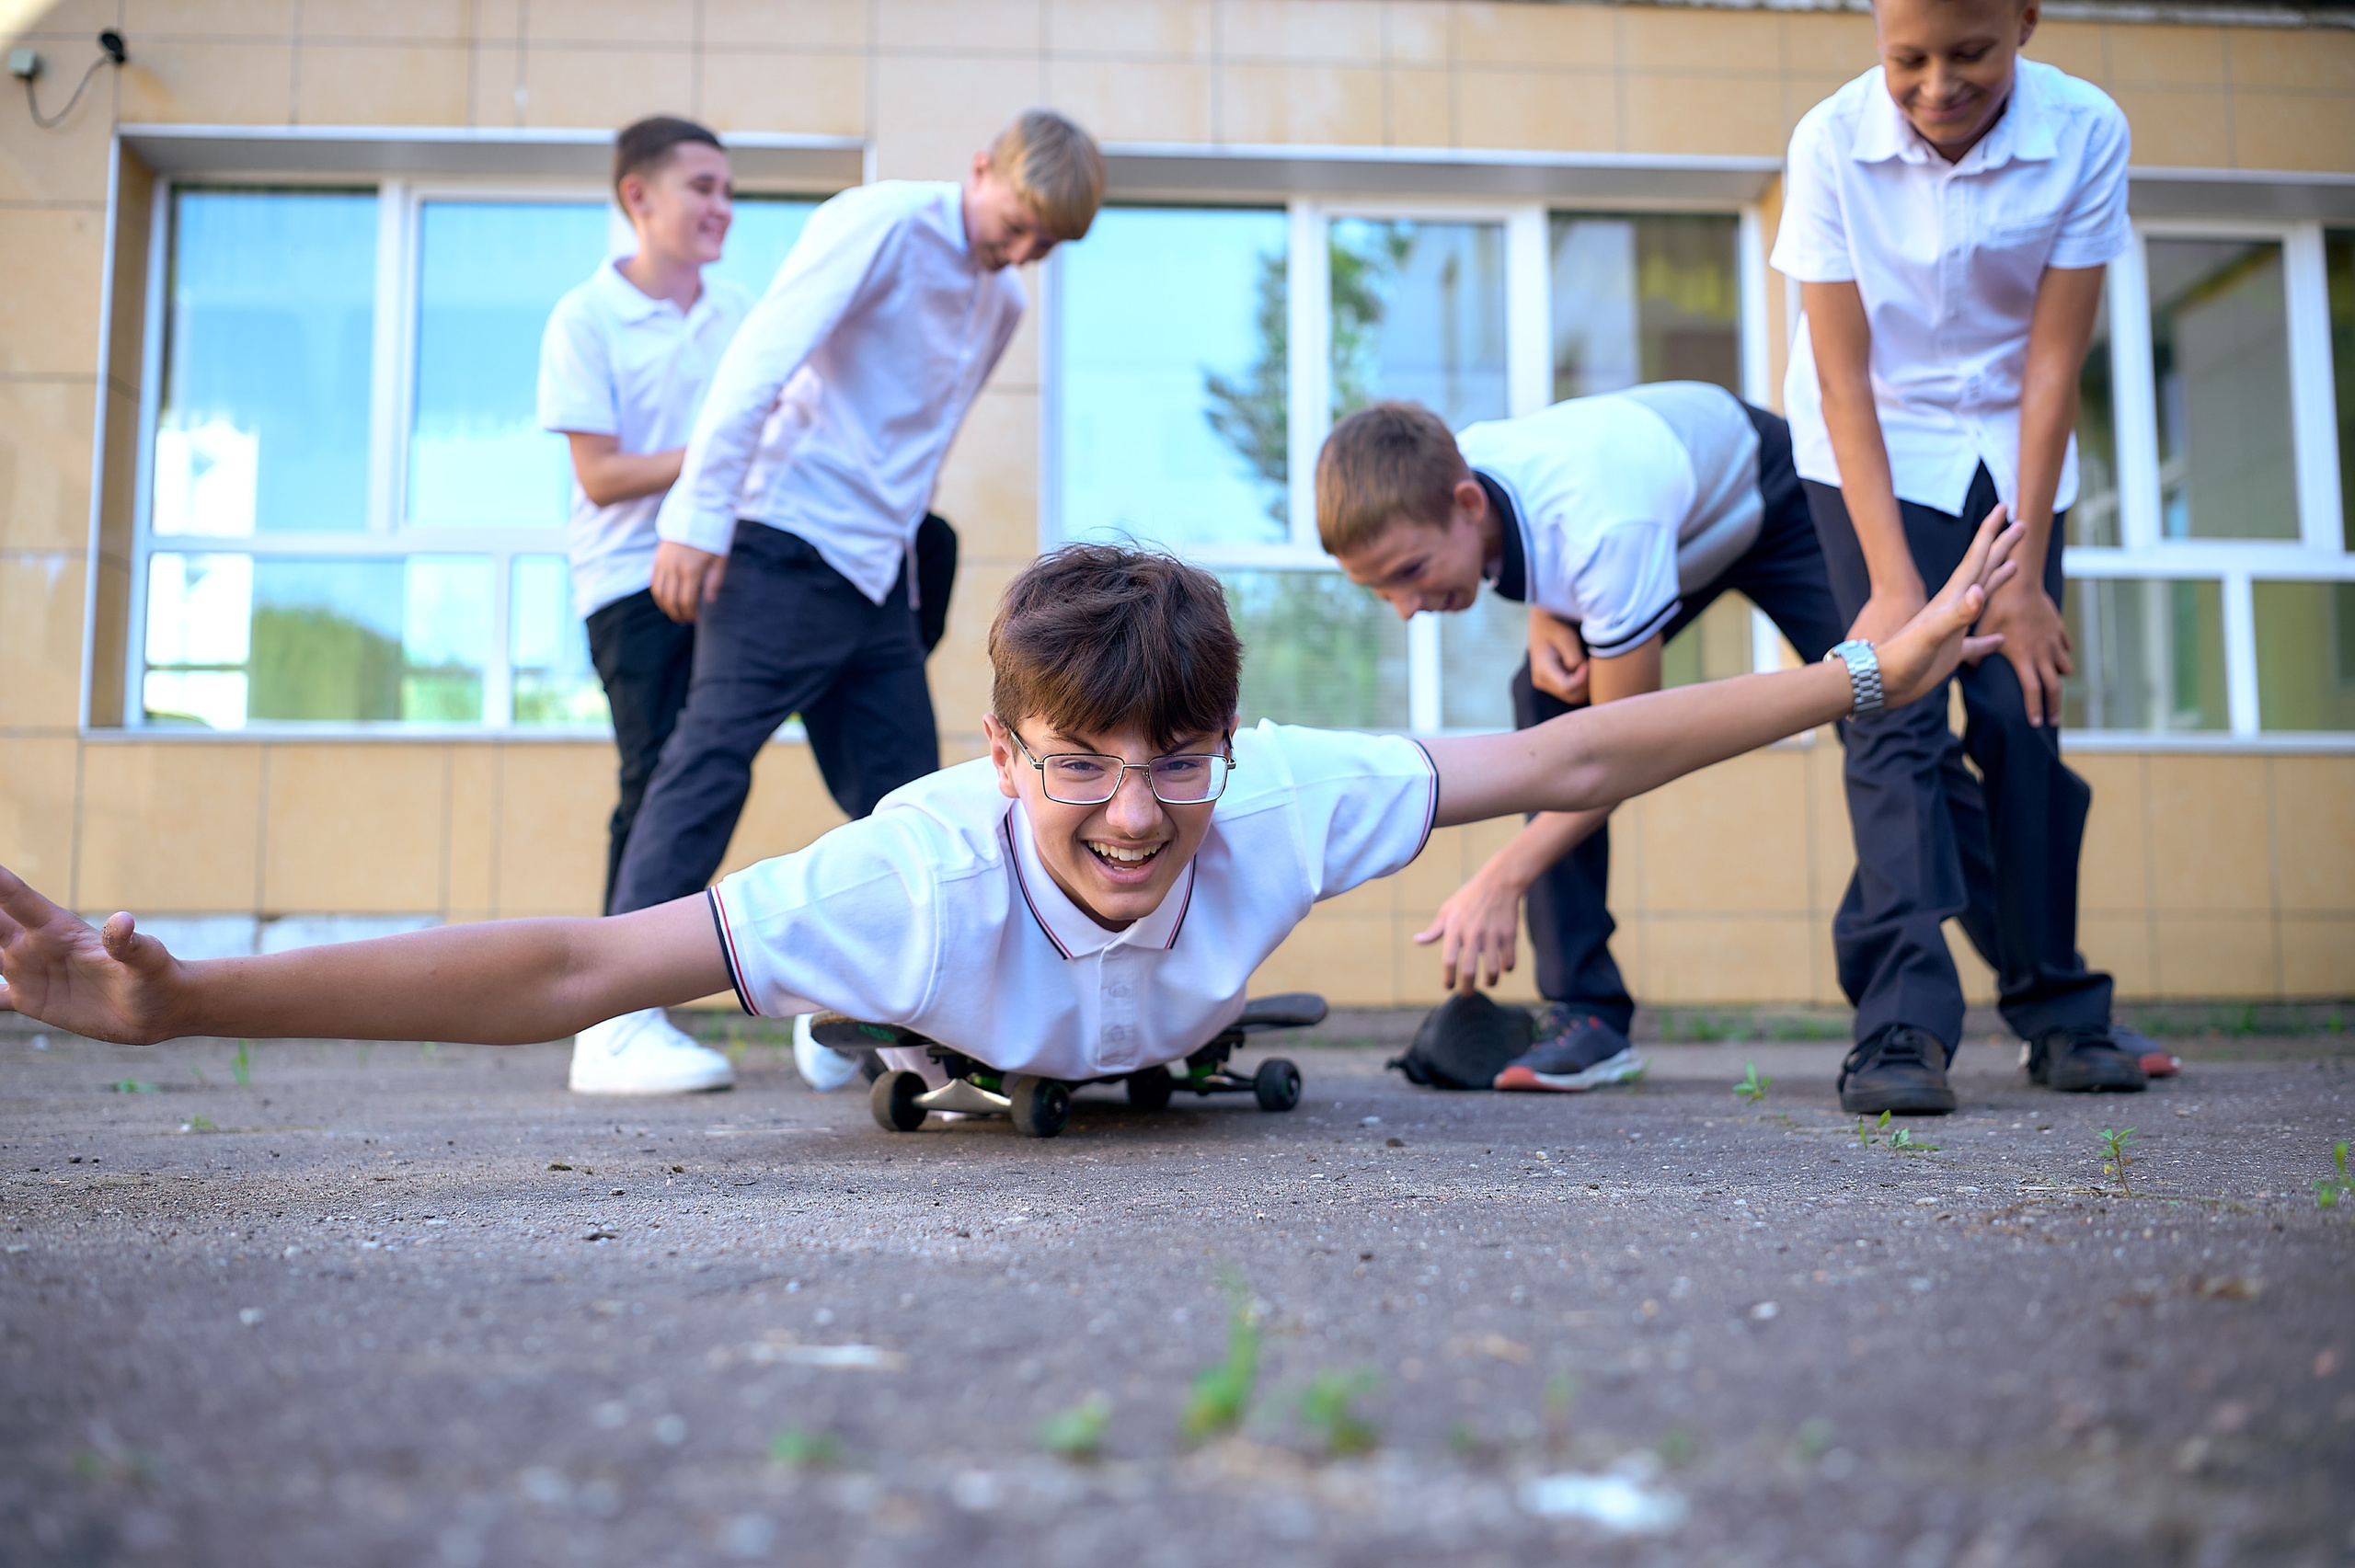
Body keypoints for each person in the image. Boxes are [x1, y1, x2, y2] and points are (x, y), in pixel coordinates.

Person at [0, 534, 2025, 1091]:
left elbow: (1577, 756)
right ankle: (857, 1038)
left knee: (1172, 985)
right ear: (1002, 752)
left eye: (1171, 764)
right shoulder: (910, 870)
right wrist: (191, 1004)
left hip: (1155, 1030)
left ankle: (1180, 1026)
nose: (1134, 812)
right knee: (845, 1003)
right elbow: (567, 964)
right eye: (1080, 766)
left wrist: (1866, 672)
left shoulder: (1280, 791)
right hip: (930, 1001)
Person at [580, 108, 1103, 1083]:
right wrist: (697, 518)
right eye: (1020, 221)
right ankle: (613, 1017)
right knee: (707, 764)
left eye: (1045, 244)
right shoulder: (880, 222)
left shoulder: (1002, 306)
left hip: (875, 577)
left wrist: (908, 585)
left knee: (909, 801)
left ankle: (866, 1014)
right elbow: (760, 360)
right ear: (980, 165)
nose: (1022, 251)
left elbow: (922, 452)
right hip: (782, 542)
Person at [1773, 0, 2153, 1114]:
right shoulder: (1829, 142)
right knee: (1889, 710)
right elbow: (1842, 377)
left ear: (2026, 22)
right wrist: (1893, 584)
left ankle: (2057, 1008)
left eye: (1971, 53)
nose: (1938, 83)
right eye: (1907, 59)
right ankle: (1899, 1023)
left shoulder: (2086, 132)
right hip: (1867, 446)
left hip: (2009, 440)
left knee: (2017, 708)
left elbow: (2050, 363)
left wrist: (2025, 579)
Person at [1318, 386, 1848, 1093]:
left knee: (1893, 716)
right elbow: (1534, 529)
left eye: (1411, 574)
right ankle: (1588, 1014)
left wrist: (1505, 874)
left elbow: (1622, 756)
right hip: (1661, 517)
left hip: (1765, 494)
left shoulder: (1603, 527)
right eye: (1382, 593)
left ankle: (2042, 991)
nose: (1408, 610)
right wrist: (1547, 613)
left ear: (1467, 504)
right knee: (1546, 695)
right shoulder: (1456, 471)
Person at [537, 115, 752, 1096]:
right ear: (638, 198)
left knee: (707, 773)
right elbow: (602, 473)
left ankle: (648, 995)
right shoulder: (585, 317)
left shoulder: (740, 311)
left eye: (728, 190)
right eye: (701, 187)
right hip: (630, 583)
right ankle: (616, 1012)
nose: (722, 207)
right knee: (655, 778)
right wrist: (714, 453)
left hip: (731, 575)